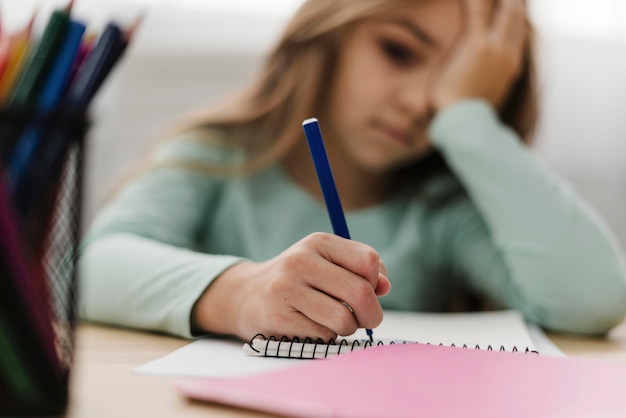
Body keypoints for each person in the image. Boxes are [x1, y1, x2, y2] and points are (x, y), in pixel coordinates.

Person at [78, 0, 626, 341]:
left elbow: (594, 298)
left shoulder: (441, 209)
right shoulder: (218, 158)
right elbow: (94, 268)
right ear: (329, 31)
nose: (420, 103)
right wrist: (244, 293)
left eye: (458, 88)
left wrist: (467, 122)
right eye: (399, 51)